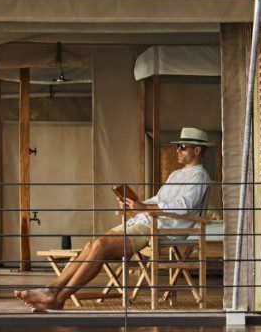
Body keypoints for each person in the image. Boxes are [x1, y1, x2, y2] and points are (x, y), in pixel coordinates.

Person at [15, 127, 213, 312]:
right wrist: (136, 203)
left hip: (160, 227)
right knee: (91, 245)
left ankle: (58, 296)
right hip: (145, 221)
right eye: (177, 146)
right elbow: (159, 200)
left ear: (197, 150)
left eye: (182, 147)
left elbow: (183, 206)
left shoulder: (200, 176)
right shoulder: (176, 174)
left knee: (100, 246)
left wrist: (144, 208)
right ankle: (52, 292)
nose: (177, 150)